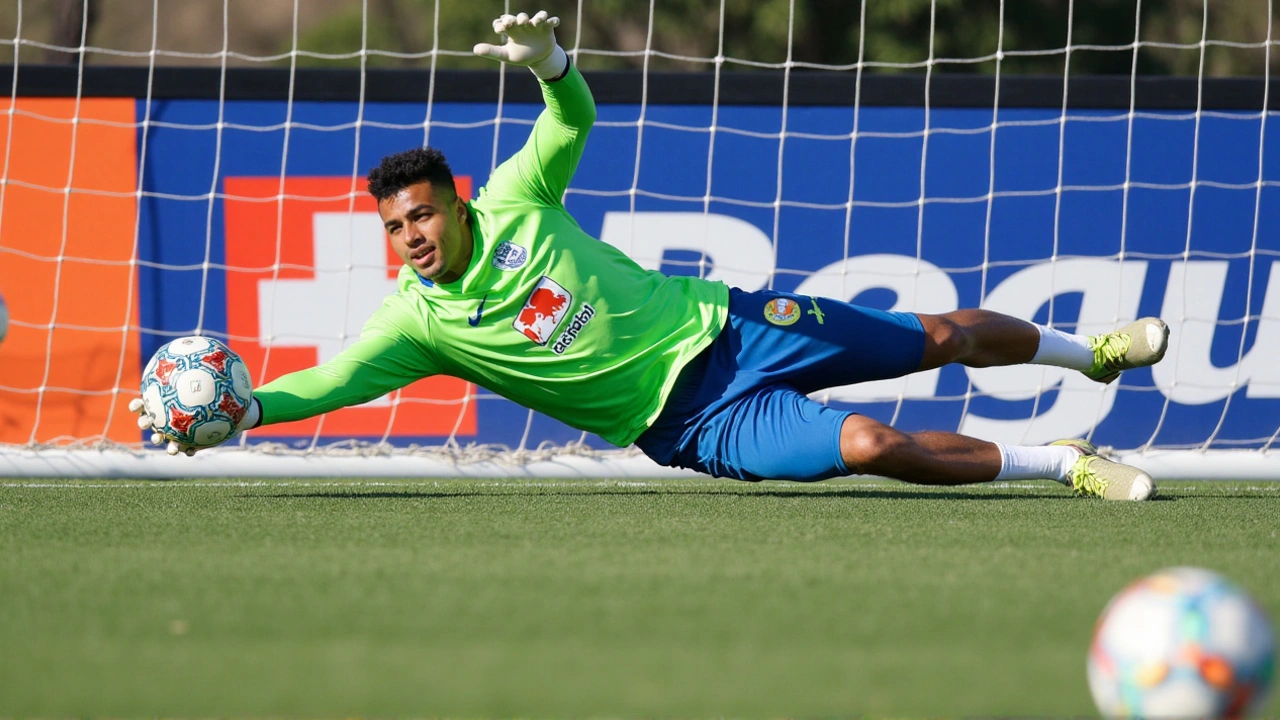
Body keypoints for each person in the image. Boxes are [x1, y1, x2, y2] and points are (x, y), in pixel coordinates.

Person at [131, 10, 1168, 501]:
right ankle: (1061, 464)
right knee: (863, 446)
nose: (409, 237)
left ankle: (1094, 356)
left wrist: (549, 64)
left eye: (420, 217)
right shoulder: (418, 320)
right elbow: (335, 382)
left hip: (732, 328)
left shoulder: (518, 198)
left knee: (934, 335)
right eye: (395, 227)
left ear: (452, 203)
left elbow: (571, 119)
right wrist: (246, 410)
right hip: (690, 421)